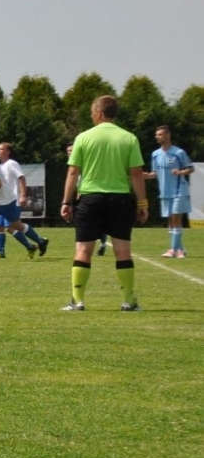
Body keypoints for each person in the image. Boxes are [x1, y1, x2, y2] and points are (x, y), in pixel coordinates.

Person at [61, 94, 146, 311]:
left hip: (90, 199)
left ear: (99, 113)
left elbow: (73, 171)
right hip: (120, 199)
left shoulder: (83, 138)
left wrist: (66, 202)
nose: (91, 116)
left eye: (92, 112)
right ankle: (128, 301)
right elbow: (136, 173)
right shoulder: (129, 138)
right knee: (123, 251)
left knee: (83, 250)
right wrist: (143, 203)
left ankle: (77, 301)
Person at [143, 124, 192, 258]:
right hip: (165, 192)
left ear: (168, 135)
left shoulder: (179, 152)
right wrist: (147, 176)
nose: (157, 137)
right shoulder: (155, 154)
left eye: (160, 134)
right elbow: (156, 173)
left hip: (179, 189)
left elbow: (190, 168)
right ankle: (180, 249)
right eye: (156, 135)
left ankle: (173, 249)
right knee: (171, 219)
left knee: (176, 217)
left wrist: (180, 172)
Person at [0, 143, 48, 258]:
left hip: (13, 200)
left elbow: (22, 178)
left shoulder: (12, 163)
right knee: (2, 226)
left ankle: (39, 241)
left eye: (1, 149)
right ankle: (2, 253)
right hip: (2, 201)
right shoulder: (0, 166)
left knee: (12, 226)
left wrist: (23, 195)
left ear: (8, 151)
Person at [67, 140, 108, 255]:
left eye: (71, 150)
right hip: (82, 198)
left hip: (90, 197)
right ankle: (102, 243)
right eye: (68, 151)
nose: (69, 153)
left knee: (93, 223)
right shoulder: (72, 165)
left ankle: (101, 243)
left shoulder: (84, 163)